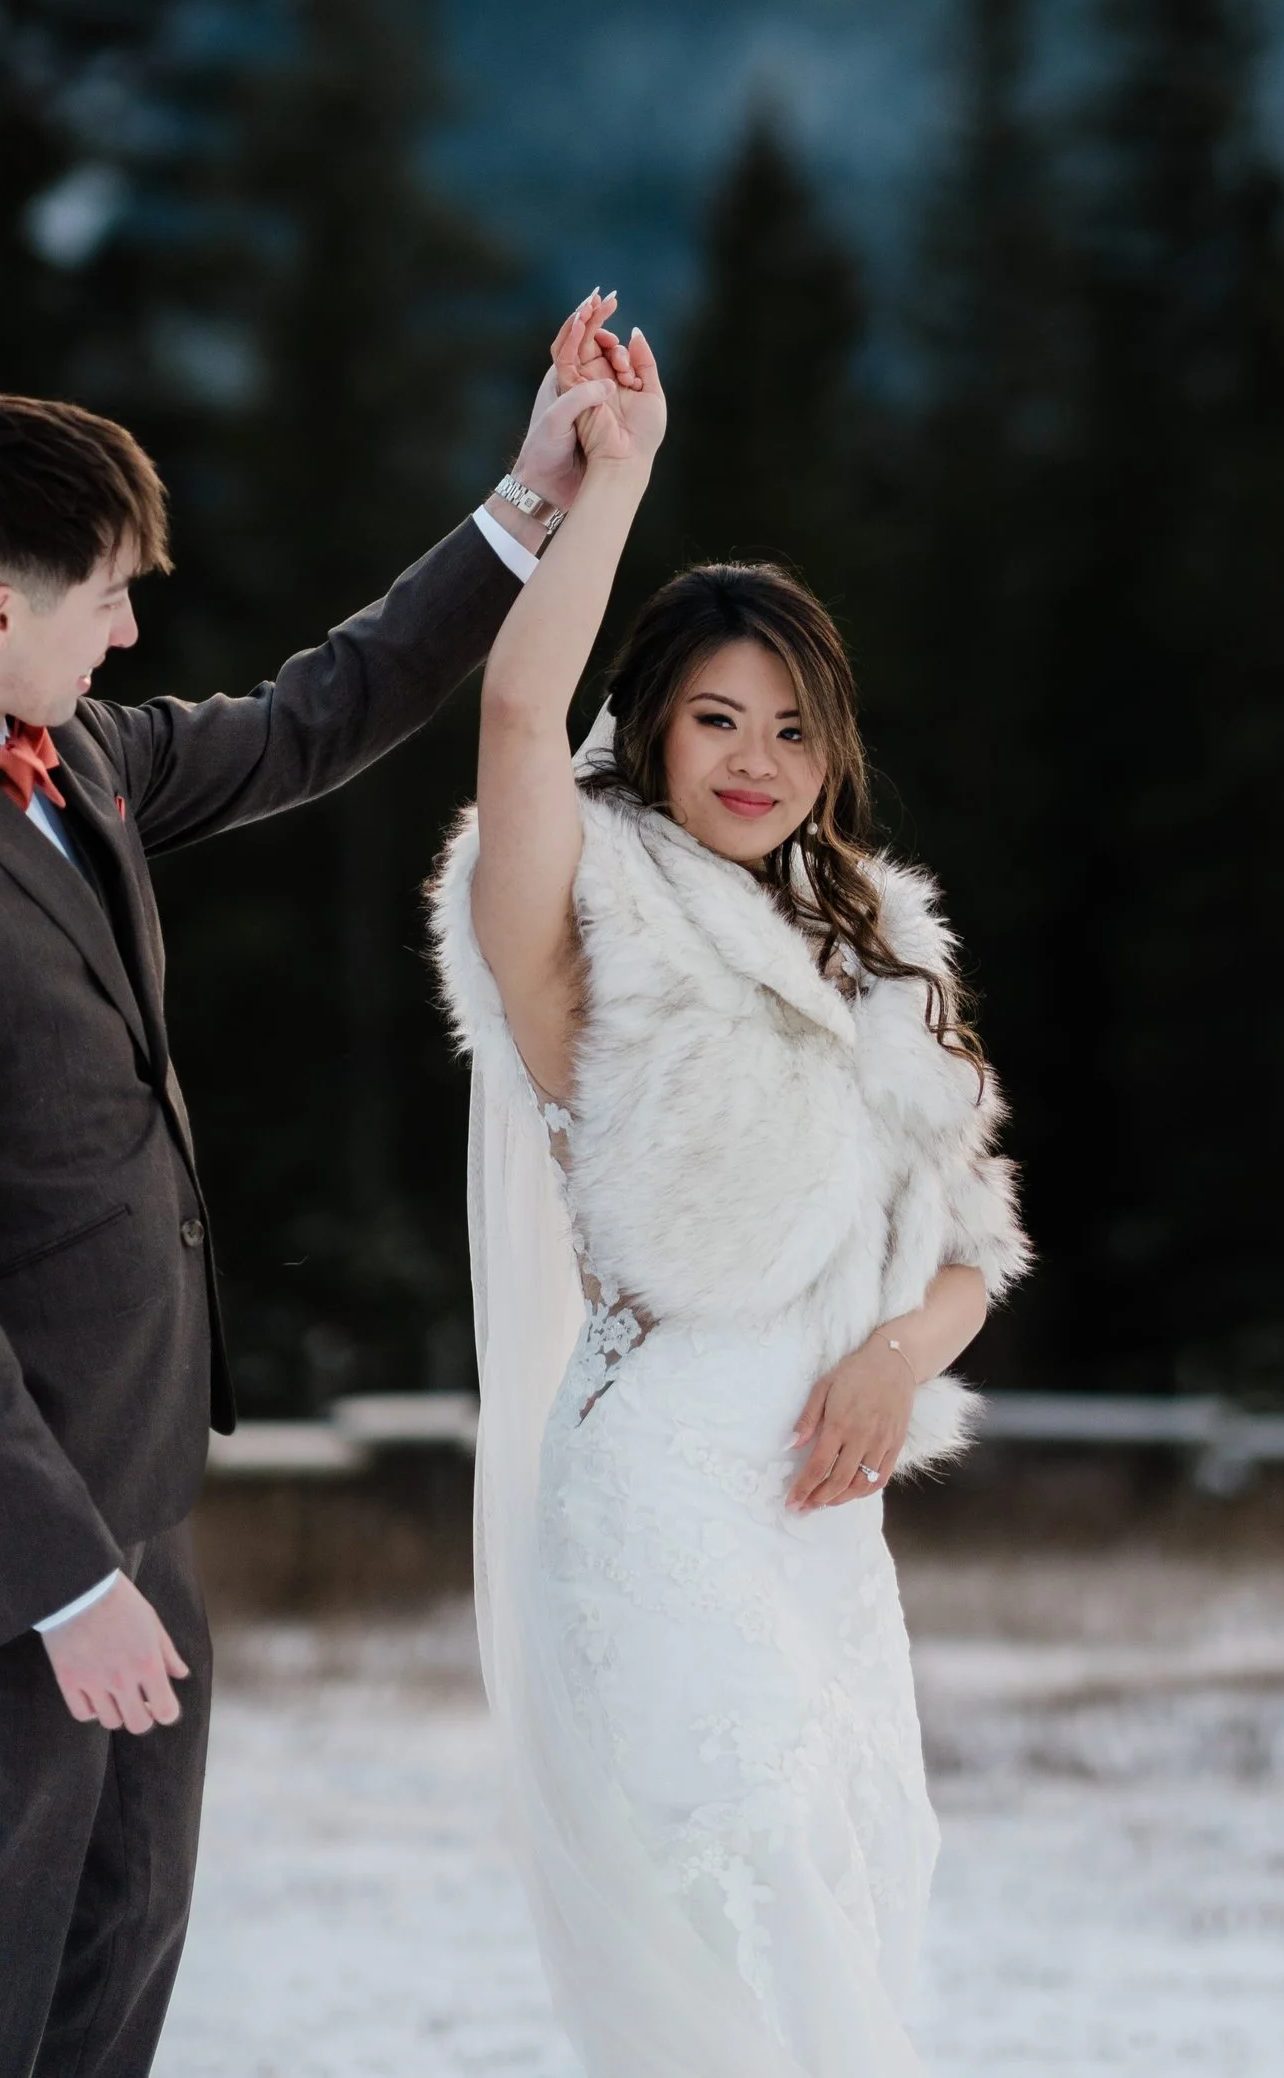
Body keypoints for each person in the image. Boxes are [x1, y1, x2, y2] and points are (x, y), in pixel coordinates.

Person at [0, 300, 627, 2078]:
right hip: (4, 1540)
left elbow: (317, 711)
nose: (133, 626)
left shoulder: (71, 763)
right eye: (110, 594)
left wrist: (525, 499)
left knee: (116, 1951)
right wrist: (58, 1576)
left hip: (132, 1492)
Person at [430, 319, 1029, 2078]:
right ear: (654, 726)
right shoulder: (586, 903)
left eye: (789, 726)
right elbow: (519, 709)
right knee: (747, 1907)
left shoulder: (884, 945)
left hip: (827, 1511)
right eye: (714, 717)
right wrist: (608, 478)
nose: (755, 758)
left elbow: (978, 1235)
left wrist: (898, 1354)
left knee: (862, 1880)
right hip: (666, 1484)